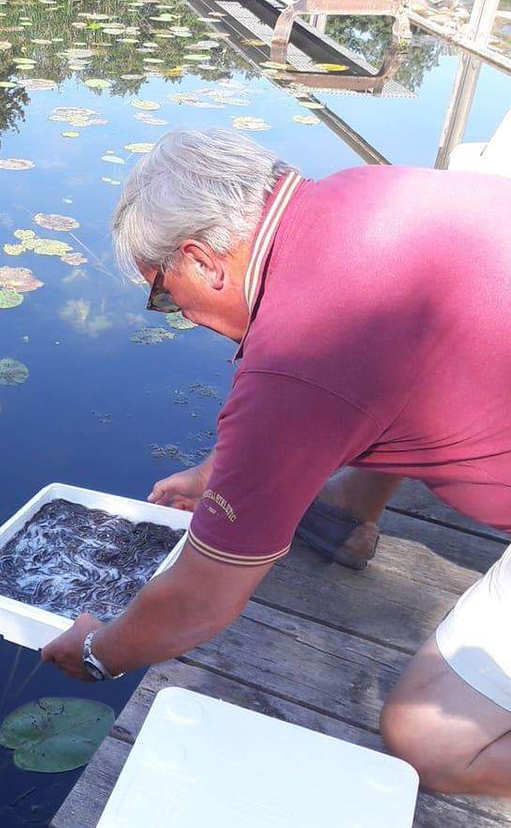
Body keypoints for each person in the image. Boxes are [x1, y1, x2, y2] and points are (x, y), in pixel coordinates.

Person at [41, 128, 511, 798]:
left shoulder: (302, 355)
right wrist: (221, 470)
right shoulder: (358, 191)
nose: (181, 314)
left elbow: (201, 601)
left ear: (202, 259)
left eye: (165, 295)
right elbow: (359, 377)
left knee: (430, 743)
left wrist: (97, 652)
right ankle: (349, 511)